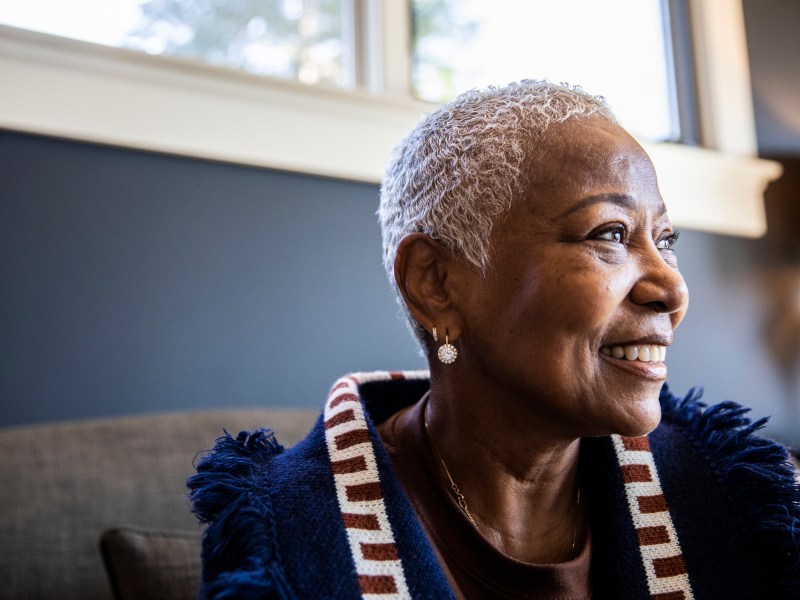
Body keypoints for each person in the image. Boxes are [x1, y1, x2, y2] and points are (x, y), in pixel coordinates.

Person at [188, 81, 800, 599]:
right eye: (610, 234)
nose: (671, 287)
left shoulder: (731, 500)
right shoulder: (286, 539)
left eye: (664, 240)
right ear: (436, 284)